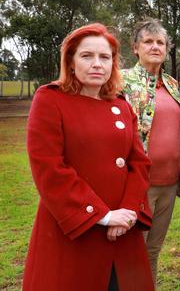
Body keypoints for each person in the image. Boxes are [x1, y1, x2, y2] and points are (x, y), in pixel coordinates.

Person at [23, 23, 154, 291]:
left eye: (104, 57)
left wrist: (127, 213)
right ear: (71, 62)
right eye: (87, 56)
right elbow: (48, 167)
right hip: (74, 228)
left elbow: (138, 163)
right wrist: (103, 216)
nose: (97, 64)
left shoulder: (121, 105)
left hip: (122, 232)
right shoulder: (50, 100)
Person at [121, 18, 180, 286]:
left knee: (152, 250)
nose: (155, 46)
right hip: (137, 183)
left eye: (160, 42)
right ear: (136, 47)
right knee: (130, 251)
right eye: (148, 41)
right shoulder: (121, 81)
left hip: (169, 184)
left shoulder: (172, 84)